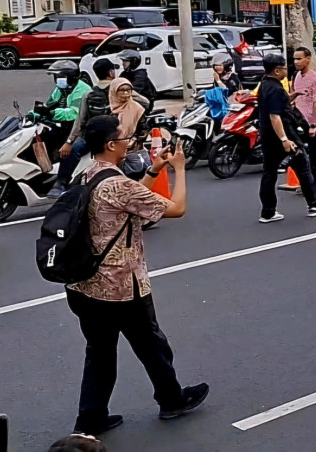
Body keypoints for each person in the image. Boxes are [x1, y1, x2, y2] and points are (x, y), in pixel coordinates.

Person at [62, 115, 207, 435]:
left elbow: (129, 200)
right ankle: (171, 400)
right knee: (151, 344)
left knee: (100, 354)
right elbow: (176, 208)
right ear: (112, 145)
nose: (132, 142)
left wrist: (155, 169)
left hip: (85, 284)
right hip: (121, 286)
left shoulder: (88, 173)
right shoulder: (118, 184)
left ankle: (90, 418)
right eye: (126, 138)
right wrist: (179, 168)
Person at [53, 58, 144, 199]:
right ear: (111, 72)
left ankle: (60, 183)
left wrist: (69, 142)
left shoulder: (88, 93)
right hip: (114, 137)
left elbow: (80, 120)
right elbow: (146, 102)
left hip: (89, 137)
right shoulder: (118, 89)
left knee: (71, 151)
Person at [257, 53, 316, 223]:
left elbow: (277, 105)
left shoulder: (265, 85)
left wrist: (293, 95)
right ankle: (314, 204)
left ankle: (267, 212)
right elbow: (274, 116)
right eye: (284, 68)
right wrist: (284, 139)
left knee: (268, 173)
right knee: (303, 167)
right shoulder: (275, 89)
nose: (286, 70)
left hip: (268, 136)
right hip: (283, 135)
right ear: (276, 70)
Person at [292, 47, 316, 189]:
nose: (296, 62)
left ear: (308, 59)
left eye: (299, 58)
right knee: (299, 156)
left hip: (313, 123)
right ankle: (306, 184)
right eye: (295, 59)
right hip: (299, 121)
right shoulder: (297, 76)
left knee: (314, 157)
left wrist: (313, 125)